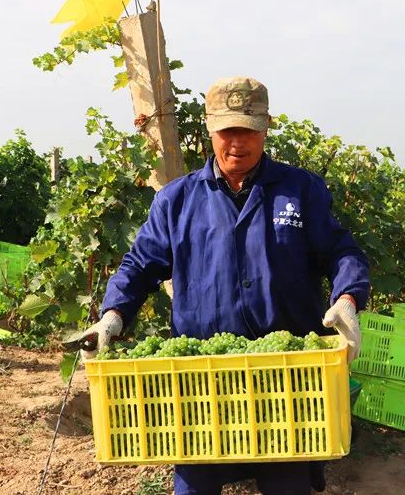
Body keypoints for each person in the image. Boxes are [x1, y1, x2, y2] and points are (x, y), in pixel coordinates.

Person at [88, 77, 370, 495]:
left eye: (248, 129)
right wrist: (113, 315)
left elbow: (341, 250)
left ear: (266, 128)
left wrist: (347, 297)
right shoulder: (177, 200)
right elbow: (141, 265)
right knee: (197, 483)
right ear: (210, 129)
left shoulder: (300, 190)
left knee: (287, 484)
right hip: (201, 386)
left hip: (286, 384)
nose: (238, 142)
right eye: (227, 130)